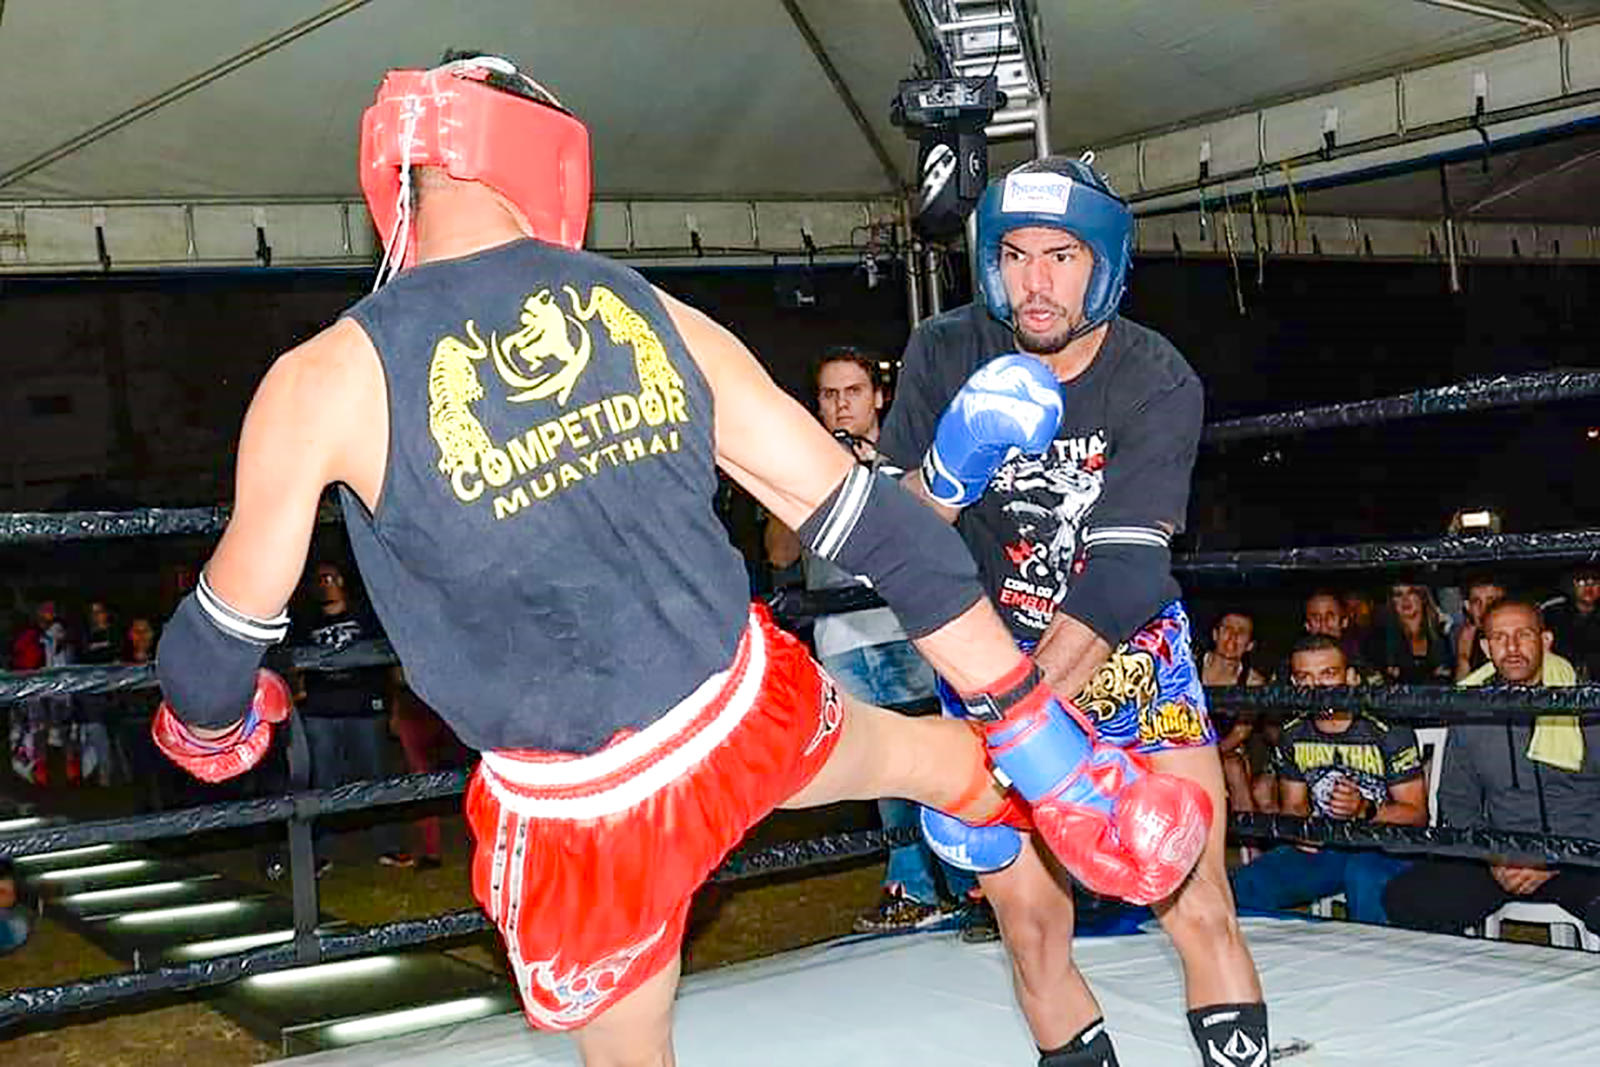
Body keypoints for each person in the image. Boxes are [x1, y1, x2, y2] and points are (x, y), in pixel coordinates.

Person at [149, 54, 1209, 1067]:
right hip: (745, 711)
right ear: (545, 157)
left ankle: (1017, 795)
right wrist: (1041, 734)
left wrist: (213, 727)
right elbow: (878, 529)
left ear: (398, 179)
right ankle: (1052, 781)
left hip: (581, 804)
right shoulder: (650, 312)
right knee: (941, 761)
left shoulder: (323, 378)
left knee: (631, 1048)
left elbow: (212, 649)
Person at [878, 155, 1264, 1067]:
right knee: (1033, 929)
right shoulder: (944, 351)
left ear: (1105, 265)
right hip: (986, 656)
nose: (1035, 283)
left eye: (1060, 257)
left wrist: (1014, 729)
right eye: (1015, 255)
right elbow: (893, 532)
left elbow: (1125, 576)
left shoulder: (1155, 376)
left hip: (1128, 656)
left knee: (1199, 903)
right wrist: (944, 477)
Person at [765, 347, 975, 933]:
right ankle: (913, 888)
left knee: (938, 753)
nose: (841, 405)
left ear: (877, 397)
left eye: (853, 392)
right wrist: (793, 485)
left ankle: (972, 884)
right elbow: (779, 554)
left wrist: (870, 474)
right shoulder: (804, 463)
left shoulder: (907, 460)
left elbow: (938, 536)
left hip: (910, 630)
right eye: (830, 395)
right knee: (883, 767)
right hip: (841, 639)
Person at [1383, 598, 1600, 935]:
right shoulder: (1472, 707)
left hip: (1580, 855)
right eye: (1499, 637)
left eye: (1523, 635)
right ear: (1485, 647)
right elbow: (1456, 800)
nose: (1512, 647)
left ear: (1545, 640)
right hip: (1502, 855)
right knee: (1408, 898)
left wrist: (1557, 857)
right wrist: (1493, 855)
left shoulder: (1586, 706)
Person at [1230, 636, 1426, 923]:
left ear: (1351, 678)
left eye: (1328, 674)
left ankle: (1371, 952)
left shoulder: (1387, 727)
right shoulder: (1293, 731)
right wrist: (1302, 831)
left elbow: (1417, 813)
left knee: (1362, 875)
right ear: (1294, 684)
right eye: (1305, 678)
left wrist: (1365, 810)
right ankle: (1280, 952)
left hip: (1385, 846)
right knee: (1246, 885)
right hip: (1328, 845)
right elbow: (1294, 805)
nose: (1317, 688)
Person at [293, 560, 407, 871]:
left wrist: (395, 706)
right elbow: (295, 664)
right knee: (322, 784)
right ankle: (319, 854)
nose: (324, 584)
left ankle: (388, 845)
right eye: (318, 579)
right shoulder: (305, 622)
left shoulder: (365, 617)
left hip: (365, 710)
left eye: (329, 577)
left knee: (377, 778)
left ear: (342, 581)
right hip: (321, 713)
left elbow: (388, 660)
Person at [1200, 610, 1265, 814]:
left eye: (1241, 632)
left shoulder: (1253, 682)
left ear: (1250, 645)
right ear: (1215, 635)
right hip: (1186, 743)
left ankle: (1249, 830)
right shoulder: (1189, 668)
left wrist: (1210, 755)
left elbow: (1240, 733)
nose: (1233, 636)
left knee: (1234, 766)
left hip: (1226, 749)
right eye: (1227, 629)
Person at [1451, 575, 1506, 681]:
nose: (1484, 608)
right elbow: (1462, 688)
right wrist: (1463, 658)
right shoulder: (1466, 638)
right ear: (1468, 607)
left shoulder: (1514, 640)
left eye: (1491, 601)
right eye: (1476, 601)